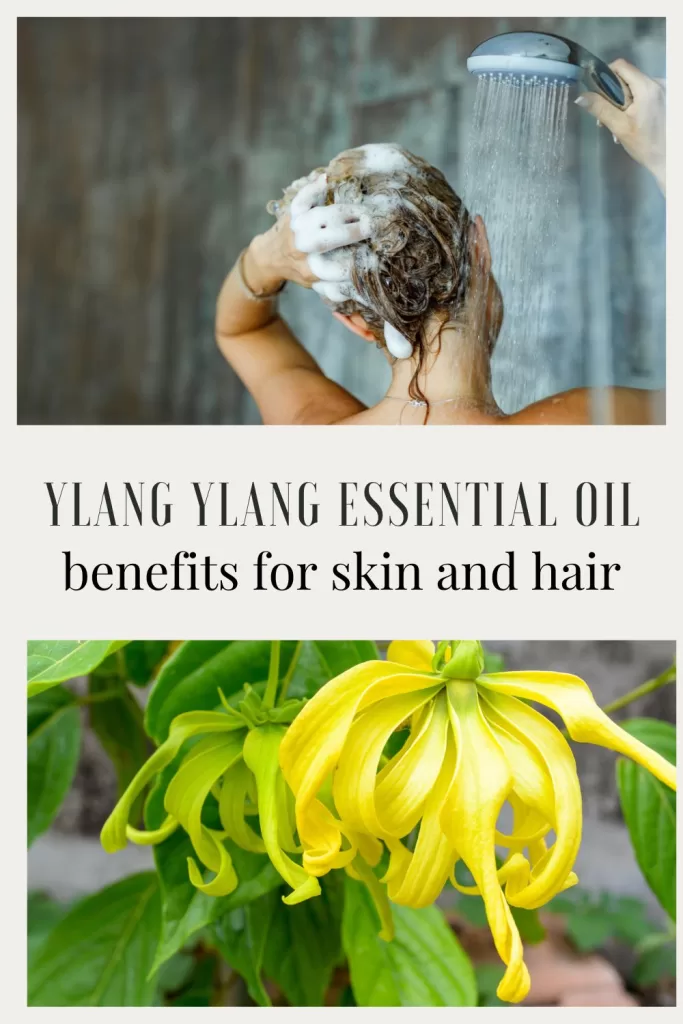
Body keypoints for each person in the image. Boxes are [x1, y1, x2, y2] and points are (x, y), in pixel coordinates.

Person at [215, 60, 665, 426]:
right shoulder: (582, 426)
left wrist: (268, 255)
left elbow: (241, 330)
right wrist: (667, 155)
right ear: (480, 248)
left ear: (356, 324)